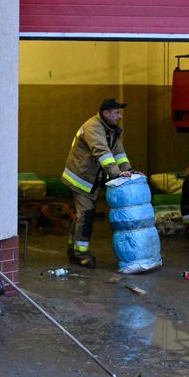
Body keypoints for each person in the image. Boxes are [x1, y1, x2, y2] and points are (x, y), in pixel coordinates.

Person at [61, 98, 133, 268]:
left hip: (90, 178)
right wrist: (116, 174)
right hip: (81, 178)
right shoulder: (93, 127)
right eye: (116, 113)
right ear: (105, 113)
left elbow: (119, 152)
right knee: (86, 215)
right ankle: (80, 253)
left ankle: (73, 248)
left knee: (82, 215)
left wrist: (128, 170)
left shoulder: (111, 129)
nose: (120, 116)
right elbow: (102, 152)